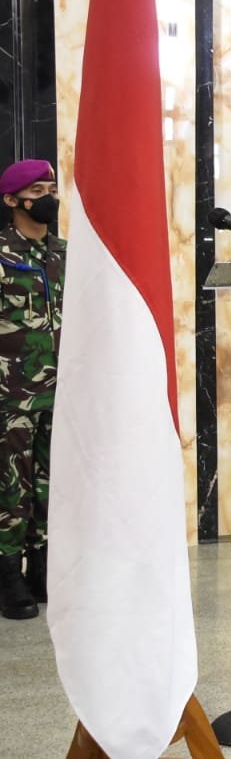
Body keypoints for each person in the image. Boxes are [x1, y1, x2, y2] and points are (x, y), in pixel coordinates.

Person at [0, 159, 66, 621]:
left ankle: (42, 568)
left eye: (52, 189)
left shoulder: (65, 254)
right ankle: (9, 575)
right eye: (38, 191)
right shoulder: (3, 253)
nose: (49, 198)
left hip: (62, 393)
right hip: (11, 394)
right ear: (12, 200)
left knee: (50, 485)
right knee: (11, 487)